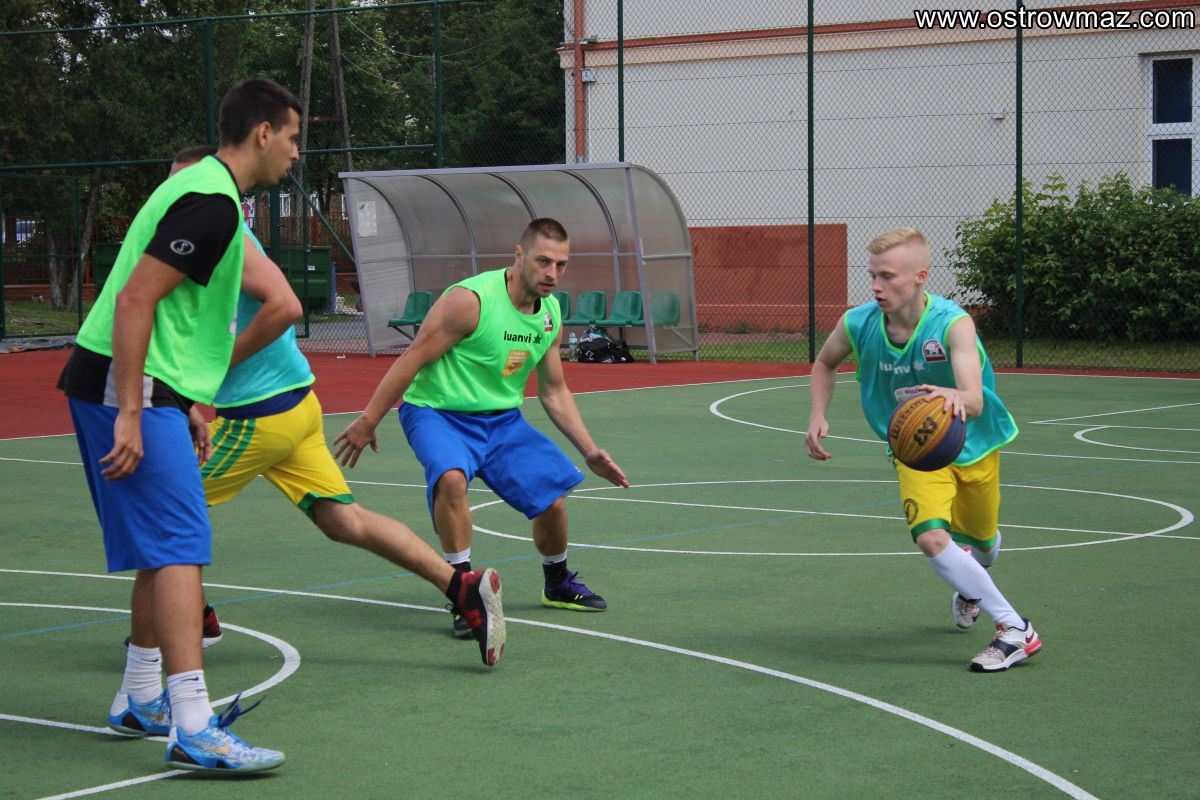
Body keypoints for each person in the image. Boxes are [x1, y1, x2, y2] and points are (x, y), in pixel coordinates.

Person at [168, 145, 505, 668]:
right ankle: (462, 587)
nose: (176, 196)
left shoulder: (221, 236)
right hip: (297, 407)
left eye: (186, 187)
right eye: (172, 186)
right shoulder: (208, 238)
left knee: (164, 505)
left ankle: (192, 620)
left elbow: (283, 309)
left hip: (260, 415)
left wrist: (205, 377)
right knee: (344, 520)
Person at [58, 78, 301, 772]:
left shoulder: (209, 194)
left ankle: (141, 697)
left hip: (141, 383)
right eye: (292, 137)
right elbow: (135, 299)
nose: (295, 152)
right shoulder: (210, 203)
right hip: (123, 384)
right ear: (262, 132)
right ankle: (193, 725)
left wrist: (190, 398)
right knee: (181, 547)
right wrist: (134, 411)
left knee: (163, 546)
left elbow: (178, 317)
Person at [334, 218, 629, 637]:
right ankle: (463, 594)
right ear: (519, 255)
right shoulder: (470, 301)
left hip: (502, 421)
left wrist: (589, 449)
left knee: (552, 500)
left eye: (561, 264)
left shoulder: (549, 313)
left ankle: (557, 582)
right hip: (437, 413)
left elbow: (554, 390)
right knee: (452, 479)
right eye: (543, 261)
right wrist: (369, 419)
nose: (552, 273)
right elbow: (413, 357)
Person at [804, 228, 1042, 673]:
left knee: (984, 546)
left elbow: (975, 400)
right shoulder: (857, 323)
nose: (876, 286)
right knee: (931, 538)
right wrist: (818, 414)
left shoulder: (953, 323)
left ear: (920, 277)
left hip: (972, 444)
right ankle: (1015, 629)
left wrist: (955, 395)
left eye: (888, 277)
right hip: (916, 449)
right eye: (873, 275)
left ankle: (970, 583)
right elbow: (825, 362)